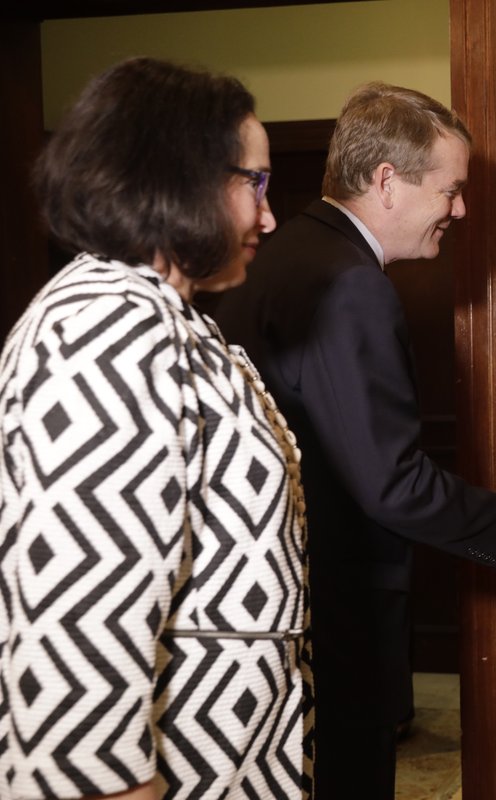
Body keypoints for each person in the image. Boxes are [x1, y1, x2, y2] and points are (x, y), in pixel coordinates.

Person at [207, 82, 496, 799]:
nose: (461, 210)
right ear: (387, 182)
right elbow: (392, 482)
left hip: (272, 610)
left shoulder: (277, 260)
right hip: (336, 616)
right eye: (451, 191)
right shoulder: (350, 284)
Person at [0, 57, 310, 799]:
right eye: (255, 183)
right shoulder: (105, 327)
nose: (269, 215)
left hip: (233, 753)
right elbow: (77, 632)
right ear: (182, 177)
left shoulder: (162, 319)